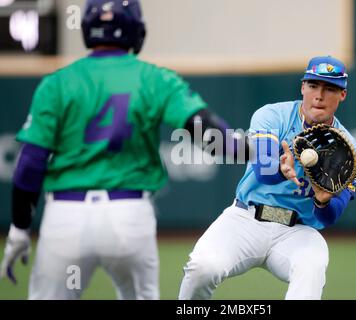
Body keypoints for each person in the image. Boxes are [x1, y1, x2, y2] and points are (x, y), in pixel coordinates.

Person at [0, 0, 247, 300]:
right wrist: (252, 149)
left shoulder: (59, 82)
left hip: (66, 215)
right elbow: (210, 134)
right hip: (128, 215)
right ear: (135, 29)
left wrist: (19, 228)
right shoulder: (155, 78)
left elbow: (31, 162)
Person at [178, 55, 356, 300]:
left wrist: (323, 201)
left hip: (297, 231)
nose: (319, 95)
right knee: (203, 267)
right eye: (313, 86)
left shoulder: (350, 150)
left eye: (330, 88)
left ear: (342, 95)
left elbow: (330, 217)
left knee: (312, 266)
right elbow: (263, 171)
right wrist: (280, 171)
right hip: (246, 219)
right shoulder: (273, 115)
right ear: (302, 87)